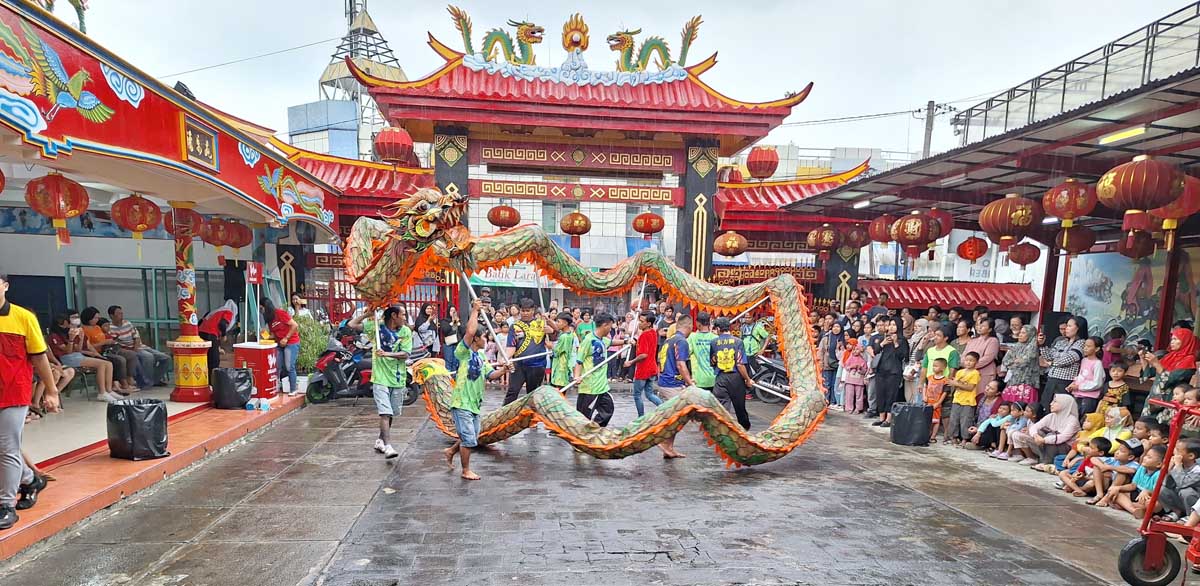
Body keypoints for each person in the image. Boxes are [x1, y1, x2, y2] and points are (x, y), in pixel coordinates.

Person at [0, 273, 56, 529]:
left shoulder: (23, 318)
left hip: (14, 393)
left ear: (5, 286)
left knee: (7, 447)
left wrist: (51, 391)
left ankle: (6, 505)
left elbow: (39, 357)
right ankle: (31, 480)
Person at [445, 299, 509, 480]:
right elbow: (470, 331)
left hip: (474, 403)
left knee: (471, 435)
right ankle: (465, 470)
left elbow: (490, 375)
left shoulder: (481, 355)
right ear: (475, 339)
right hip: (462, 402)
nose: (486, 340)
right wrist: (475, 310)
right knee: (469, 440)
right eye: (484, 337)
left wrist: (504, 370)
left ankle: (451, 451)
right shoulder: (463, 352)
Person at [370, 306, 411, 459]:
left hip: (397, 378)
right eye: (403, 315)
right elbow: (352, 325)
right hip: (380, 378)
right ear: (394, 315)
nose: (405, 318)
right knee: (385, 413)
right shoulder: (376, 328)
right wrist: (368, 314)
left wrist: (386, 354)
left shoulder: (405, 331)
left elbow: (406, 354)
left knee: (391, 413)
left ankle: (380, 440)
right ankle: (388, 446)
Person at [48, 312, 117, 401]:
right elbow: (68, 351)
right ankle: (102, 392)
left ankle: (109, 390)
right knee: (101, 364)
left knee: (108, 364)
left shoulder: (69, 332)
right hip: (67, 358)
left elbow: (78, 349)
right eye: (66, 322)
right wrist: (71, 339)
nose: (68, 325)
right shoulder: (54, 336)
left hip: (77, 355)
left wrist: (81, 338)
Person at [504, 298, 555, 405]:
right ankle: (505, 413)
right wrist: (506, 358)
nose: (525, 313)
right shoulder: (515, 326)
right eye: (523, 310)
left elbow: (555, 333)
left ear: (533, 310)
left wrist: (550, 328)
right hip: (519, 364)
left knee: (533, 394)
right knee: (512, 391)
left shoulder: (541, 323)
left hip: (537, 365)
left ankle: (531, 414)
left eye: (528, 311)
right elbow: (511, 346)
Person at [574, 312, 621, 427]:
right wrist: (576, 376)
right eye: (610, 326)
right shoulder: (588, 340)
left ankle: (595, 429)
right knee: (583, 416)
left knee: (608, 410)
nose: (611, 329)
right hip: (590, 386)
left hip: (601, 385)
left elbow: (612, 342)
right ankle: (582, 433)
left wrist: (627, 342)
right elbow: (579, 361)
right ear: (605, 325)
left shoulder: (603, 339)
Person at [1142, 327, 1199, 422]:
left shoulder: (1189, 360)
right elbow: (1149, 374)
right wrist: (1143, 358)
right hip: (1154, 399)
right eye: (1172, 339)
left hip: (1170, 400)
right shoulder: (1169, 356)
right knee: (1144, 425)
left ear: (1185, 341)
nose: (1172, 342)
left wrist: (1156, 363)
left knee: (1160, 427)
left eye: (1175, 339)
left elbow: (1169, 379)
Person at [108, 305, 170, 388]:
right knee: (148, 357)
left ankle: (154, 380)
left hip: (139, 347)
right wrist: (132, 350)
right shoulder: (110, 328)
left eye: (122, 313)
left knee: (165, 357)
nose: (121, 315)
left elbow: (136, 337)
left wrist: (136, 348)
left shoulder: (128, 323)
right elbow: (116, 343)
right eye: (118, 314)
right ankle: (146, 382)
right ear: (111, 316)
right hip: (127, 349)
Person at [711, 317, 755, 430]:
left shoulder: (714, 342)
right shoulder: (738, 342)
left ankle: (723, 430)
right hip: (736, 379)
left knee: (722, 408)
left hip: (721, 378)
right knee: (740, 408)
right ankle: (744, 431)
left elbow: (713, 361)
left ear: (718, 329)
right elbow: (740, 364)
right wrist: (747, 379)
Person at [1039, 316, 1088, 414]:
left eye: (1069, 326)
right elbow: (1049, 356)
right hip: (1052, 378)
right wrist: (1042, 345)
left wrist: (1051, 363)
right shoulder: (1061, 342)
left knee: (1059, 409)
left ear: (1078, 328)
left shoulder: (1081, 343)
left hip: (1064, 382)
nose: (1066, 328)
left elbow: (1067, 360)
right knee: (1045, 407)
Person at [80, 306, 136, 391]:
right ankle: (122, 383)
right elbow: (87, 346)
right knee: (120, 360)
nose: (97, 320)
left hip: (108, 349)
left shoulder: (97, 327)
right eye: (95, 318)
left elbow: (104, 337)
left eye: (98, 318)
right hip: (97, 353)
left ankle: (129, 378)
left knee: (131, 354)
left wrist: (110, 341)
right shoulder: (84, 330)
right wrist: (103, 343)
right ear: (88, 318)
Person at [1020, 394, 1081, 466]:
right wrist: (1036, 436)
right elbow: (1034, 427)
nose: (1051, 404)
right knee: (1038, 433)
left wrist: (1044, 440)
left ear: (1064, 404)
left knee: (1050, 436)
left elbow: (1062, 437)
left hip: (1067, 448)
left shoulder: (1072, 420)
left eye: (1055, 402)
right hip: (1052, 444)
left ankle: (1048, 463)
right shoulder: (1051, 416)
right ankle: (1041, 460)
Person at [871, 317, 909, 428]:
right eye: (890, 325)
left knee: (891, 395)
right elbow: (875, 351)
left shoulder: (902, 340)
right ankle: (881, 417)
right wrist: (882, 343)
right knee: (880, 394)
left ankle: (888, 419)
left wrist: (896, 343)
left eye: (894, 325)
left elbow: (903, 356)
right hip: (881, 370)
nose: (891, 327)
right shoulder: (884, 338)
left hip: (894, 371)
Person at [624, 311, 663, 417]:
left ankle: (640, 416)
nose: (639, 324)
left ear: (648, 323)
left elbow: (644, 354)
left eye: (642, 321)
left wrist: (631, 362)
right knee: (649, 394)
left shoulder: (644, 335)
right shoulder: (653, 332)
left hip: (643, 369)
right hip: (652, 368)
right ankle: (663, 408)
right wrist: (636, 343)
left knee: (637, 395)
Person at [262, 297, 300, 396]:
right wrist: (266, 336)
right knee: (277, 366)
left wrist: (286, 338)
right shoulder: (269, 319)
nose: (261, 311)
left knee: (289, 366)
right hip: (280, 344)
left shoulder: (280, 313)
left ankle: (293, 389)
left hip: (291, 342)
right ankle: (276, 387)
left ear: (266, 307)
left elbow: (294, 325)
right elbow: (273, 334)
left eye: (262, 308)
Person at [946, 352, 982, 446]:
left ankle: (965, 439)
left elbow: (970, 387)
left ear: (976, 362)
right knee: (954, 419)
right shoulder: (960, 372)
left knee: (966, 421)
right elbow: (955, 384)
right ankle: (954, 437)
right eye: (967, 360)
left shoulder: (975, 373)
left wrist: (956, 383)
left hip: (968, 401)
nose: (968, 362)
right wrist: (955, 384)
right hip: (957, 399)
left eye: (971, 361)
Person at [999, 325, 1040, 406]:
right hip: (1013, 380)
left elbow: (1025, 361)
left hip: (1027, 382)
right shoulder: (1016, 346)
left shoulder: (1033, 348)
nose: (1020, 335)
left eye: (1023, 333)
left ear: (1030, 335)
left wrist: (1015, 361)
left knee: (1021, 406)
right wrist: (1016, 361)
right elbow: (1005, 361)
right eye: (1020, 332)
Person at [1067, 336, 1107, 417]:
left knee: (1084, 418)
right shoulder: (1084, 360)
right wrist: (1073, 384)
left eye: (1088, 346)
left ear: (1097, 349)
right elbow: (1081, 376)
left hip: (1089, 398)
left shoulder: (1097, 363)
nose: (1085, 348)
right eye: (1085, 346)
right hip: (1078, 395)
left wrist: (1079, 387)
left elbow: (1098, 383)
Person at [657, 315, 694, 398]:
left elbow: (659, 362)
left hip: (664, 381)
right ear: (689, 326)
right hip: (673, 385)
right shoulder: (681, 341)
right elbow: (680, 365)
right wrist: (691, 384)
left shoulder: (669, 340)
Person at [198, 300, 238, 374]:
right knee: (214, 361)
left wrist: (217, 347)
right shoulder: (228, 312)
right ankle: (212, 379)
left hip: (201, 333)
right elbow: (222, 324)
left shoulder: (215, 312)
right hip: (210, 334)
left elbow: (200, 322)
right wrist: (224, 335)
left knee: (205, 358)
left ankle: (203, 377)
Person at [964, 318, 999, 398]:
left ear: (990, 329)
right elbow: (964, 355)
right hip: (969, 372)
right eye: (978, 325)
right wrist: (966, 364)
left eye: (983, 326)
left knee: (980, 397)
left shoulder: (993, 340)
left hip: (984, 373)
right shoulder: (972, 341)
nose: (979, 327)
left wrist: (971, 365)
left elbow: (987, 358)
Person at [688, 312, 717, 394]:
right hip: (714, 378)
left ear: (698, 323)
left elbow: (686, 352)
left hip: (698, 379)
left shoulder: (692, 337)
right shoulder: (715, 337)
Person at [549, 312, 577, 391]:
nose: (557, 324)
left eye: (558, 322)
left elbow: (557, 351)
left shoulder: (564, 337)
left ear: (565, 323)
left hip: (560, 366)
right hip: (565, 365)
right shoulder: (570, 334)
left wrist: (551, 346)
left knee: (559, 390)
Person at [819, 322, 845, 405]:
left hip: (839, 365)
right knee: (827, 384)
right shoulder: (826, 338)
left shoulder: (843, 338)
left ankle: (833, 402)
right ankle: (825, 401)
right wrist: (821, 362)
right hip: (827, 364)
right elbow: (821, 351)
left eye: (838, 327)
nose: (836, 328)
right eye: (834, 327)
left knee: (835, 384)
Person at [842, 338, 869, 415]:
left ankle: (858, 408)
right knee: (849, 394)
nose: (855, 351)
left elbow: (865, 371)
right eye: (854, 349)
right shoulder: (850, 358)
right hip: (850, 380)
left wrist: (860, 368)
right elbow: (846, 367)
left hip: (859, 381)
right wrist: (851, 366)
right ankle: (849, 408)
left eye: (857, 349)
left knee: (859, 395)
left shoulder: (862, 360)